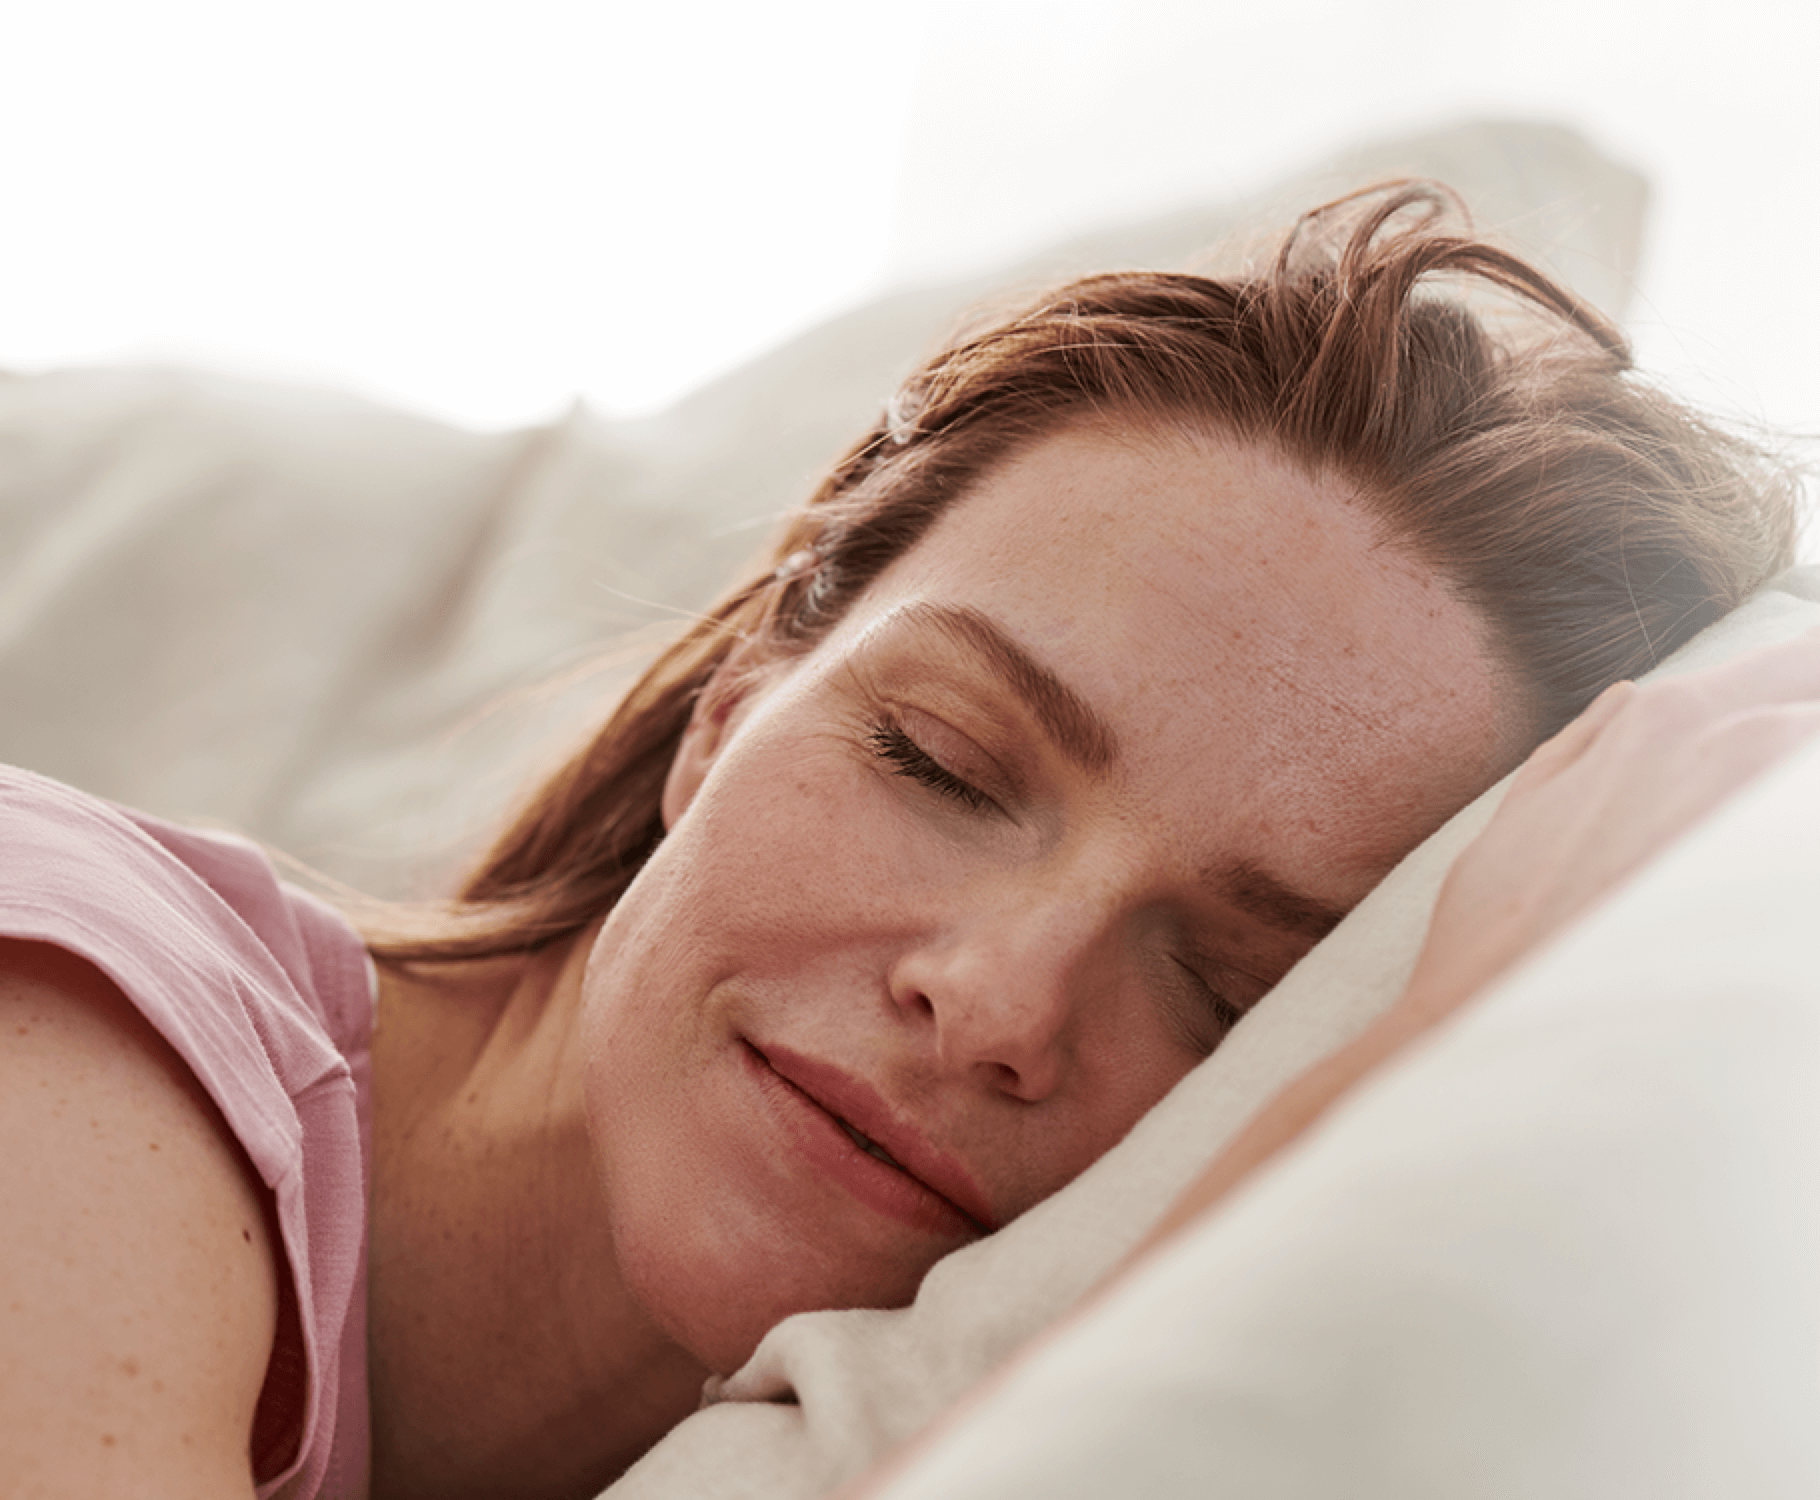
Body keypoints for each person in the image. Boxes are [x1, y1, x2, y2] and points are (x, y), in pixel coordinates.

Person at [0, 181, 1807, 1500]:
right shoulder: (71, 1047)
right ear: (735, 706)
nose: (1001, 999)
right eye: (939, 762)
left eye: (1232, 989)